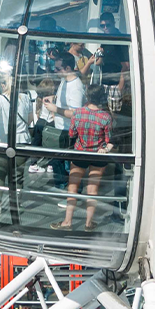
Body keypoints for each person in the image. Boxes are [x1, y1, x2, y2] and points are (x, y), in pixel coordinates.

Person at [51, 84, 114, 232]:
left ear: (87, 95)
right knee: (92, 190)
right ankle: (88, 223)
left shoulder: (78, 113)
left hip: (80, 153)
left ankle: (67, 222)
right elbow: (109, 139)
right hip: (98, 156)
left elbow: (72, 134)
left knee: (72, 188)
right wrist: (104, 148)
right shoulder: (105, 116)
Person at [42, 52, 85, 189]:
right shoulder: (64, 81)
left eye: (58, 68)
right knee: (57, 161)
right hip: (61, 128)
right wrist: (52, 98)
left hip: (69, 131)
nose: (55, 71)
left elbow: (75, 114)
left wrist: (56, 109)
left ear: (67, 68)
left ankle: (69, 189)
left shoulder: (76, 87)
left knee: (66, 164)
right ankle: (62, 186)